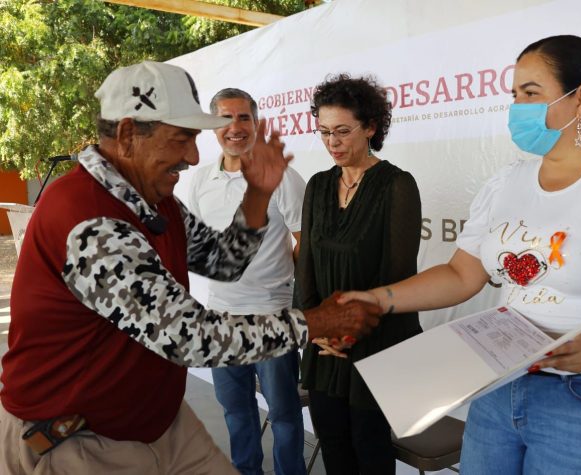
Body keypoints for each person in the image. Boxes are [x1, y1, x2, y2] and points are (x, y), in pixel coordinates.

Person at [340, 35, 581, 475]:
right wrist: (379, 299)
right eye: (515, 95)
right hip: (499, 387)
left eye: (531, 94)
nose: (517, 108)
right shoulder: (507, 182)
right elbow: (463, 274)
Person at [0, 61, 380, 475]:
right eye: (181, 139)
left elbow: (221, 260)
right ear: (128, 135)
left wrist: (257, 194)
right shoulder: (89, 219)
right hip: (80, 441)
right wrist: (316, 322)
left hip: (154, 422)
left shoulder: (150, 197)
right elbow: (188, 337)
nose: (193, 156)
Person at [297, 74, 423, 474]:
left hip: (375, 344)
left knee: (370, 451)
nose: (332, 142)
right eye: (324, 132)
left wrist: (348, 333)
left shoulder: (397, 186)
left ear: (370, 127)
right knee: (333, 447)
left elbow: (398, 277)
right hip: (323, 346)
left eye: (342, 131)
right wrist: (317, 328)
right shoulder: (317, 186)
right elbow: (307, 268)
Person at [188, 88, 307, 475]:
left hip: (272, 318)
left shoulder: (284, 177)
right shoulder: (201, 180)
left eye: (243, 118)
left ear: (256, 124)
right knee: (237, 413)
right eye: (225, 119)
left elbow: (304, 243)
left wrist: (280, 288)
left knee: (286, 415)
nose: (234, 128)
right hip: (220, 320)